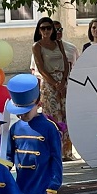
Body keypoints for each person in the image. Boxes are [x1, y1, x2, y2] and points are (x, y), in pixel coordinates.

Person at [32, 17, 73, 160]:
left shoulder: (58, 43)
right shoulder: (37, 46)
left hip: (62, 80)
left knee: (67, 115)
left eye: (49, 28)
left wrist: (63, 81)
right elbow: (41, 68)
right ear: (39, 30)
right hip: (49, 84)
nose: (46, 31)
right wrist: (55, 84)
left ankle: (67, 152)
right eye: (43, 28)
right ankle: (55, 151)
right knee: (53, 117)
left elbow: (65, 62)